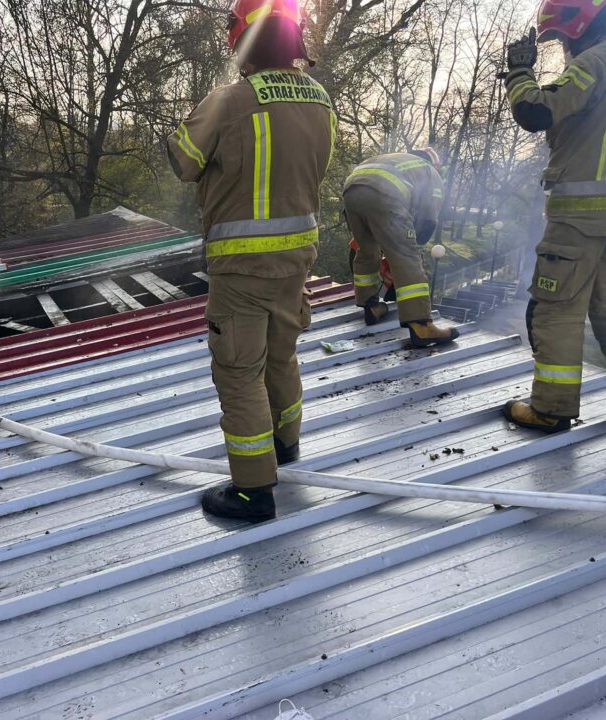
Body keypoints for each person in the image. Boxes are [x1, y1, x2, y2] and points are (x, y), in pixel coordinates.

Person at [167, 0, 336, 522]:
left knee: (239, 372)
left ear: (241, 38)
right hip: (297, 259)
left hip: (241, 269)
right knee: (282, 356)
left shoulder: (232, 100)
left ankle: (252, 489)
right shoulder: (321, 99)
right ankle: (285, 446)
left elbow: (183, 162)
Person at [500, 0, 606, 432]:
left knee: (557, 307)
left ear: (581, 24)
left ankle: (551, 408)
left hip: (579, 218)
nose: (565, 47)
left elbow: (536, 111)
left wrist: (519, 73)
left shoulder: (601, 57)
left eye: (563, 37)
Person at [341, 148, 460, 345]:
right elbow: (429, 219)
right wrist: (410, 244)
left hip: (351, 190)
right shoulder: (430, 172)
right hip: (385, 194)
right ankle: (421, 325)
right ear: (435, 165)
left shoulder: (393, 160)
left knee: (366, 249)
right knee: (407, 257)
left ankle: (370, 306)